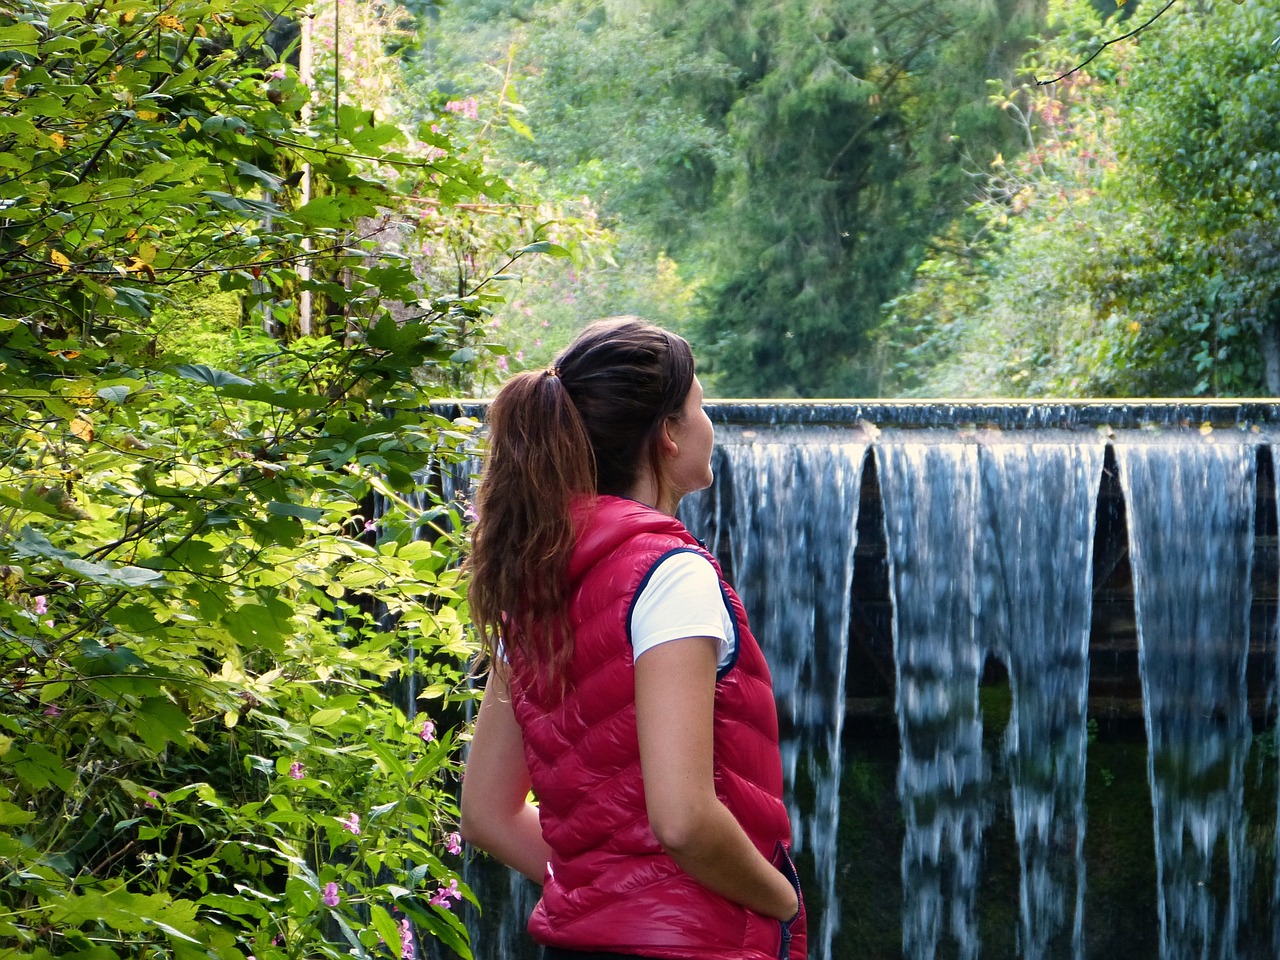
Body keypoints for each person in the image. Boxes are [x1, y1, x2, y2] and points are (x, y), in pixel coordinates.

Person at [459, 318, 806, 960]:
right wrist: (782, 902)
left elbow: (486, 813)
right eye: (700, 405)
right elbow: (682, 820)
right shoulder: (669, 576)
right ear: (668, 435)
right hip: (696, 945)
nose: (710, 423)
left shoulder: (534, 578)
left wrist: (606, 892)